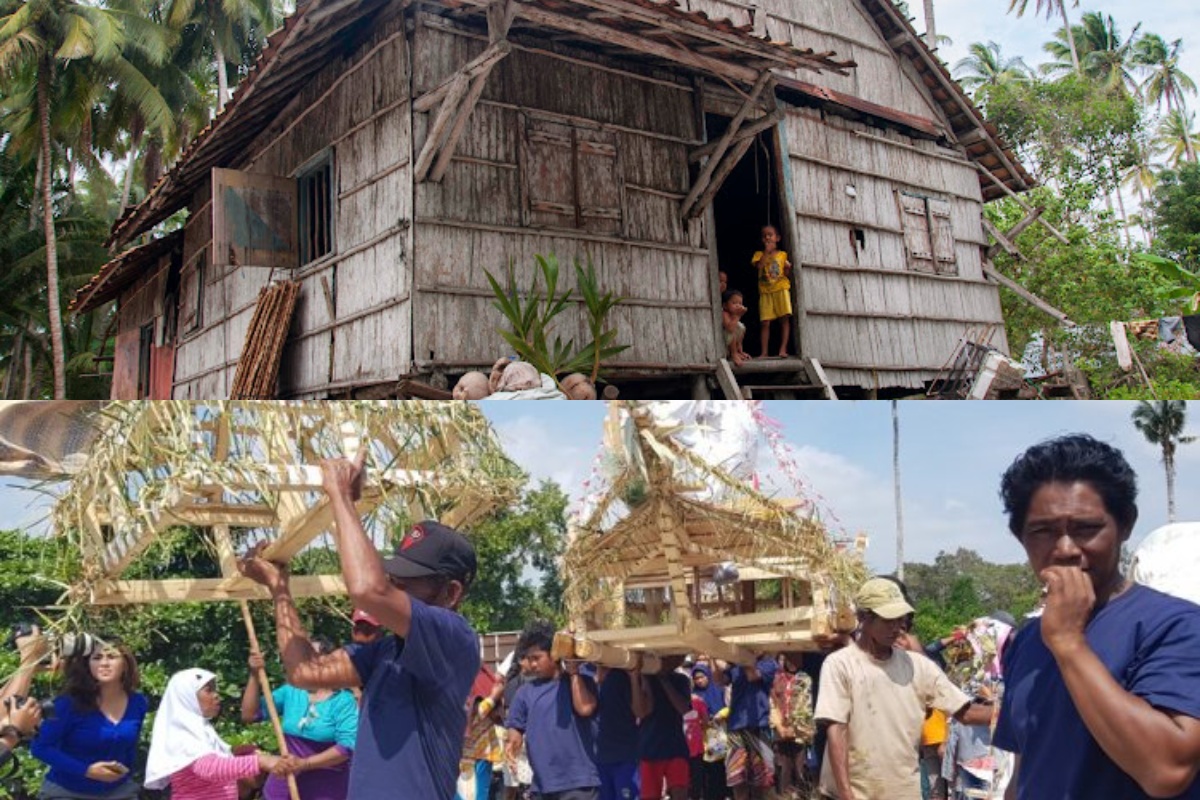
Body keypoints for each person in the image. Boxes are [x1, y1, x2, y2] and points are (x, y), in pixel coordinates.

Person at [237, 449, 482, 800]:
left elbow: (368, 589)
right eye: (394, 577)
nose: (394, 587)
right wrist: (279, 589)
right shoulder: (386, 652)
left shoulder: (455, 638)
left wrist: (339, 495)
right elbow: (303, 672)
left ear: (451, 593)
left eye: (407, 581)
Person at [993, 434, 1200, 800]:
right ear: (1019, 537)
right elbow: (1028, 768)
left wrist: (1070, 645)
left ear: (1125, 525)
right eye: (1042, 531)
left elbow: (1167, 771)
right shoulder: (1026, 640)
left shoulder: (1177, 626)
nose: (1066, 550)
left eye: (1087, 529)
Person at [814, 578, 994, 800]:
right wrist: (846, 794)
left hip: (903, 792)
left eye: (900, 619)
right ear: (863, 618)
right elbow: (836, 731)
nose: (897, 627)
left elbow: (966, 713)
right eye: (888, 619)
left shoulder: (918, 666)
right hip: (851, 793)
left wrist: (1010, 714)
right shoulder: (841, 664)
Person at [145, 668, 294, 799]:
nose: (216, 695)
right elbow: (209, 768)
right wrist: (261, 761)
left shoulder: (199, 728)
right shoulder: (181, 733)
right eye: (208, 690)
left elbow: (209, 759)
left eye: (215, 690)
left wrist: (234, 752)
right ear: (187, 697)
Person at [240, 641, 359, 800]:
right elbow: (250, 714)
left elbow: (347, 747)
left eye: (311, 655)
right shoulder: (291, 691)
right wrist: (254, 675)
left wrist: (305, 764)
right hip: (282, 787)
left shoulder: (343, 701)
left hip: (324, 790)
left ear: (328, 660)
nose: (304, 660)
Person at [31, 640, 148, 800]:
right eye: (97, 658)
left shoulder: (138, 703)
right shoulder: (67, 704)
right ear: (88, 665)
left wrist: (125, 772)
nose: (104, 663)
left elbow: (129, 749)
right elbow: (40, 748)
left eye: (112, 657)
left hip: (120, 791)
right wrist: (86, 770)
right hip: (67, 792)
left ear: (126, 663)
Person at [504, 621, 600, 800]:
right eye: (529, 658)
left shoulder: (582, 681)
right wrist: (511, 745)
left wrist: (573, 673)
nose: (532, 664)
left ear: (554, 655)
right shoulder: (525, 693)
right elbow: (515, 729)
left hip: (580, 784)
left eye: (536, 658)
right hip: (542, 785)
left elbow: (585, 708)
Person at [715, 653, 778, 800]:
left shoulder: (768, 663)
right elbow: (719, 680)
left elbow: (752, 675)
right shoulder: (737, 665)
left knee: (762, 778)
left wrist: (741, 656)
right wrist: (712, 659)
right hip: (736, 726)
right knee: (737, 777)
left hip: (758, 726)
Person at [631, 662, 692, 800]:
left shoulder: (681, 679)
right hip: (649, 747)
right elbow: (641, 712)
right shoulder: (644, 678)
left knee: (680, 794)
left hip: (676, 747)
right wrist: (637, 677)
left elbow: (683, 709)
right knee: (650, 796)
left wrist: (664, 679)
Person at [772, 653, 816, 800]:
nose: (790, 662)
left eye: (794, 657)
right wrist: (780, 727)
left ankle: (803, 796)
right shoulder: (776, 679)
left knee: (800, 768)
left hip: (800, 733)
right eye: (786, 658)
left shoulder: (805, 678)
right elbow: (772, 704)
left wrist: (796, 727)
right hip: (781, 731)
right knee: (783, 769)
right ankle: (785, 796)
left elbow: (806, 706)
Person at [593, 665, 639, 800]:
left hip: (626, 756)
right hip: (601, 757)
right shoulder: (587, 675)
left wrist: (634, 678)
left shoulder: (627, 675)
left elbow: (639, 711)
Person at [750, 225, 792, 358]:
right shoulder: (758, 255)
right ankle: (764, 352)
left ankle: (783, 349)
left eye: (770, 235)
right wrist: (766, 252)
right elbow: (759, 266)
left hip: (781, 288)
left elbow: (785, 273)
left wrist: (788, 269)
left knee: (784, 319)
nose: (767, 237)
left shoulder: (782, 255)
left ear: (777, 238)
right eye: (764, 236)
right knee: (765, 322)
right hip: (765, 291)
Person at [690, 662, 727, 800]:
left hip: (717, 735)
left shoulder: (719, 690)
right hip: (700, 737)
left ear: (708, 676)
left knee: (717, 768)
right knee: (704, 770)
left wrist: (720, 714)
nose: (699, 680)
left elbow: (729, 707)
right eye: (696, 678)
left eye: (702, 676)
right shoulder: (694, 695)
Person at [722, 290, 749, 367]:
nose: (737, 305)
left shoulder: (733, 315)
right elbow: (730, 329)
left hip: (731, 342)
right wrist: (737, 316)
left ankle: (739, 351)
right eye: (734, 303)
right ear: (725, 306)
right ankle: (734, 354)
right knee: (733, 329)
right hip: (724, 343)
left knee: (741, 326)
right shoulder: (725, 314)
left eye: (740, 303)